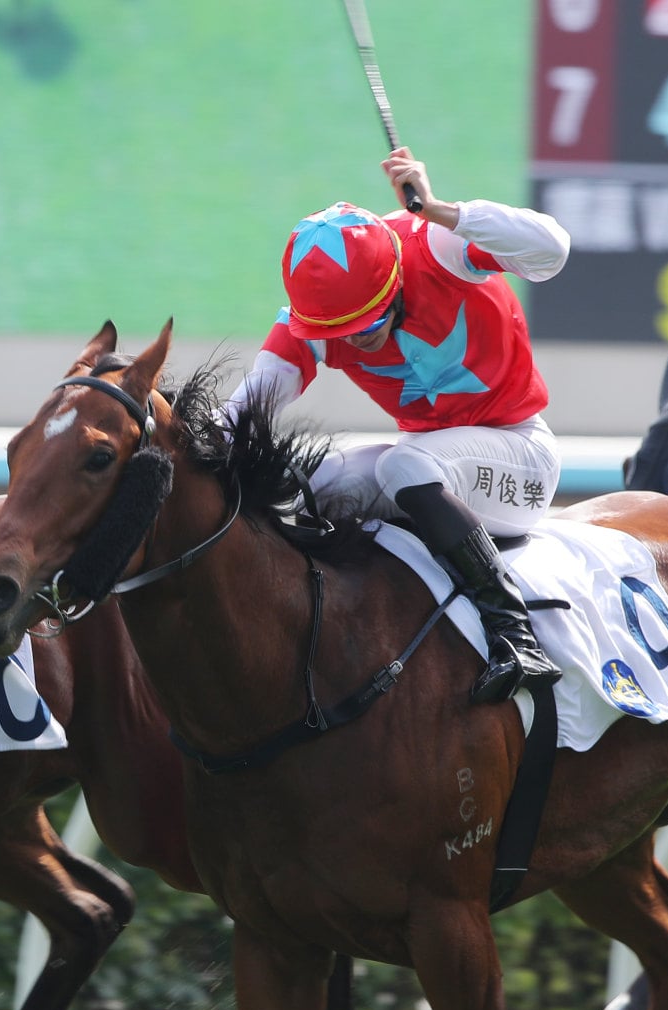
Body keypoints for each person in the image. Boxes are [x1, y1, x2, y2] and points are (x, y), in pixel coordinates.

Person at [223, 148, 572, 705]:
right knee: (305, 484)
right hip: (433, 464)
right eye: (339, 333)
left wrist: (442, 210)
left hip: (520, 456)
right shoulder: (317, 319)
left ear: (394, 284)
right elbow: (245, 408)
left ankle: (514, 632)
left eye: (365, 327)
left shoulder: (437, 248)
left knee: (403, 463)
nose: (353, 342)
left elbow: (553, 248)